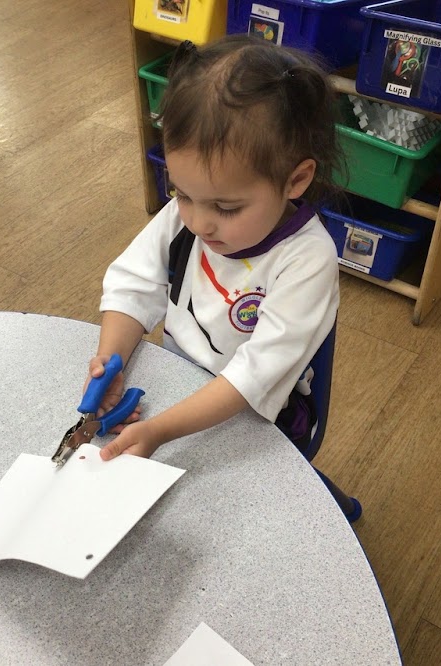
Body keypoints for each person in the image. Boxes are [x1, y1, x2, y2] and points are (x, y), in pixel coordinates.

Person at [88, 35, 343, 462]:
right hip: (181, 386)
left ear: (296, 180)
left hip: (262, 418)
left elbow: (254, 376)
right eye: (182, 194)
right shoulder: (185, 216)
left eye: (226, 207)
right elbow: (133, 285)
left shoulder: (306, 260)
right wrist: (108, 360)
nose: (198, 222)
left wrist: (162, 429)